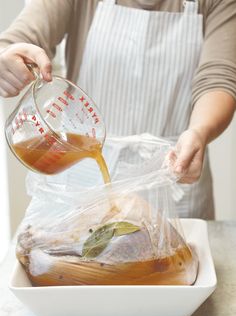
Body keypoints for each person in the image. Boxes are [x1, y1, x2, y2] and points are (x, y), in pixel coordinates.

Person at [0, 0, 235, 219]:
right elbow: (24, 35)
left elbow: (219, 78)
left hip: (170, 174)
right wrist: (9, 57)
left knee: (172, 259)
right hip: (82, 178)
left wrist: (199, 131)